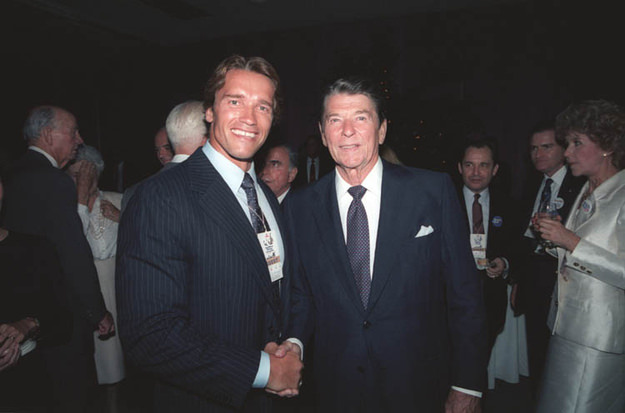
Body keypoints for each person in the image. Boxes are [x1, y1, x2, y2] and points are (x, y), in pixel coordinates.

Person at [281, 78, 487, 412]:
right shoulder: (300, 207)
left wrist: (468, 382)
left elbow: (465, 294)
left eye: (361, 118)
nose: (347, 131)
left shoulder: (431, 192)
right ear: (322, 133)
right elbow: (302, 293)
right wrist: (294, 343)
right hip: (335, 388)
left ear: (381, 130)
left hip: (418, 384)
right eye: (335, 120)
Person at [116, 55, 302, 412]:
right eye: (235, 101)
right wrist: (265, 370)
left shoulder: (263, 194)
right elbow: (149, 336)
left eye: (262, 106)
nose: (249, 118)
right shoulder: (161, 196)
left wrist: (289, 347)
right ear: (210, 112)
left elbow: (276, 287)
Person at [1, 106, 114, 412]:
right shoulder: (53, 180)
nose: (79, 139)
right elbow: (72, 252)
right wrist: (97, 310)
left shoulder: (11, 175)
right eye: (73, 131)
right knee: (72, 394)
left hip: (18, 311)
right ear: (49, 135)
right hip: (60, 312)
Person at [534, 99, 625, 412]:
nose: (567, 152)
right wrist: (554, 239)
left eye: (576, 143)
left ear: (606, 146)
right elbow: (578, 255)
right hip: (564, 327)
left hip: (598, 338)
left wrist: (570, 241)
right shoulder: (586, 190)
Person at [515, 120, 585, 394]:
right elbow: (523, 237)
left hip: (562, 281)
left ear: (563, 149)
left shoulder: (579, 184)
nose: (538, 154)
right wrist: (517, 277)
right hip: (533, 280)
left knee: (558, 356)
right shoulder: (533, 182)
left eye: (546, 147)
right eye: (533, 148)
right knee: (535, 349)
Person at [66, 146, 125, 394]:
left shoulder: (117, 199)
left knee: (116, 355)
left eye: (85, 174)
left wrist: (122, 218)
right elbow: (69, 246)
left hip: (116, 281)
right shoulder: (66, 208)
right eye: (75, 175)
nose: (80, 181)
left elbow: (145, 239)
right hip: (84, 284)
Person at [456, 136, 517, 352]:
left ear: (495, 169)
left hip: (490, 300)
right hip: (451, 302)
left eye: (484, 165)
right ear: (460, 168)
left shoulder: (508, 205)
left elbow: (515, 247)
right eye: (469, 165)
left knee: (481, 361)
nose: (475, 172)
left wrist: (505, 262)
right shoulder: (444, 202)